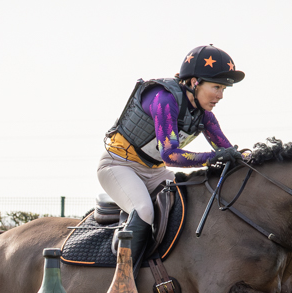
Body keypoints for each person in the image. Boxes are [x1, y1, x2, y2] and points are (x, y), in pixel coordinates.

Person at [98, 44, 245, 267]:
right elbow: (170, 156)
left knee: (189, 206)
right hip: (118, 165)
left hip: (154, 172)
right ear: (195, 82)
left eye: (224, 89)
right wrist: (211, 159)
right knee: (144, 210)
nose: (221, 95)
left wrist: (248, 157)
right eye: (216, 87)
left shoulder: (204, 115)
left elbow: (225, 150)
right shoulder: (163, 98)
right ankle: (123, 280)